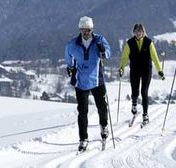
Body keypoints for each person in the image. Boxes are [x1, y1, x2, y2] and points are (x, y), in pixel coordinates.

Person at [65, 16, 111, 151]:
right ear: (80, 29)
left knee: (102, 107)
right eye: (84, 30)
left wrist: (103, 51)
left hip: (97, 80)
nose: (86, 32)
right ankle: (83, 139)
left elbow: (108, 53)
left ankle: (104, 125)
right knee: (82, 112)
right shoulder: (73, 44)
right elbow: (68, 56)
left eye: (89, 30)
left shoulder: (99, 40)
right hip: (81, 81)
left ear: (92, 29)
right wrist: (70, 67)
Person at [119, 23, 165, 125]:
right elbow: (124, 57)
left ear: (143, 32)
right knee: (135, 90)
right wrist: (121, 67)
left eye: (140, 31)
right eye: (136, 31)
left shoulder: (149, 42)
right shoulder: (129, 43)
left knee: (144, 92)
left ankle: (145, 114)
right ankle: (134, 104)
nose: (138, 33)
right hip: (134, 70)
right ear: (133, 32)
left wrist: (160, 70)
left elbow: (155, 57)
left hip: (146, 71)